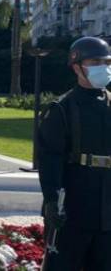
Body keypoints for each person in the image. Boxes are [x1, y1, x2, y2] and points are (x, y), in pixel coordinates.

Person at [38, 36, 111, 270]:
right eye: (95, 61)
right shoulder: (62, 109)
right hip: (75, 204)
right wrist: (51, 200)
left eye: (106, 61)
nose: (103, 66)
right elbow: (50, 158)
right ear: (76, 66)